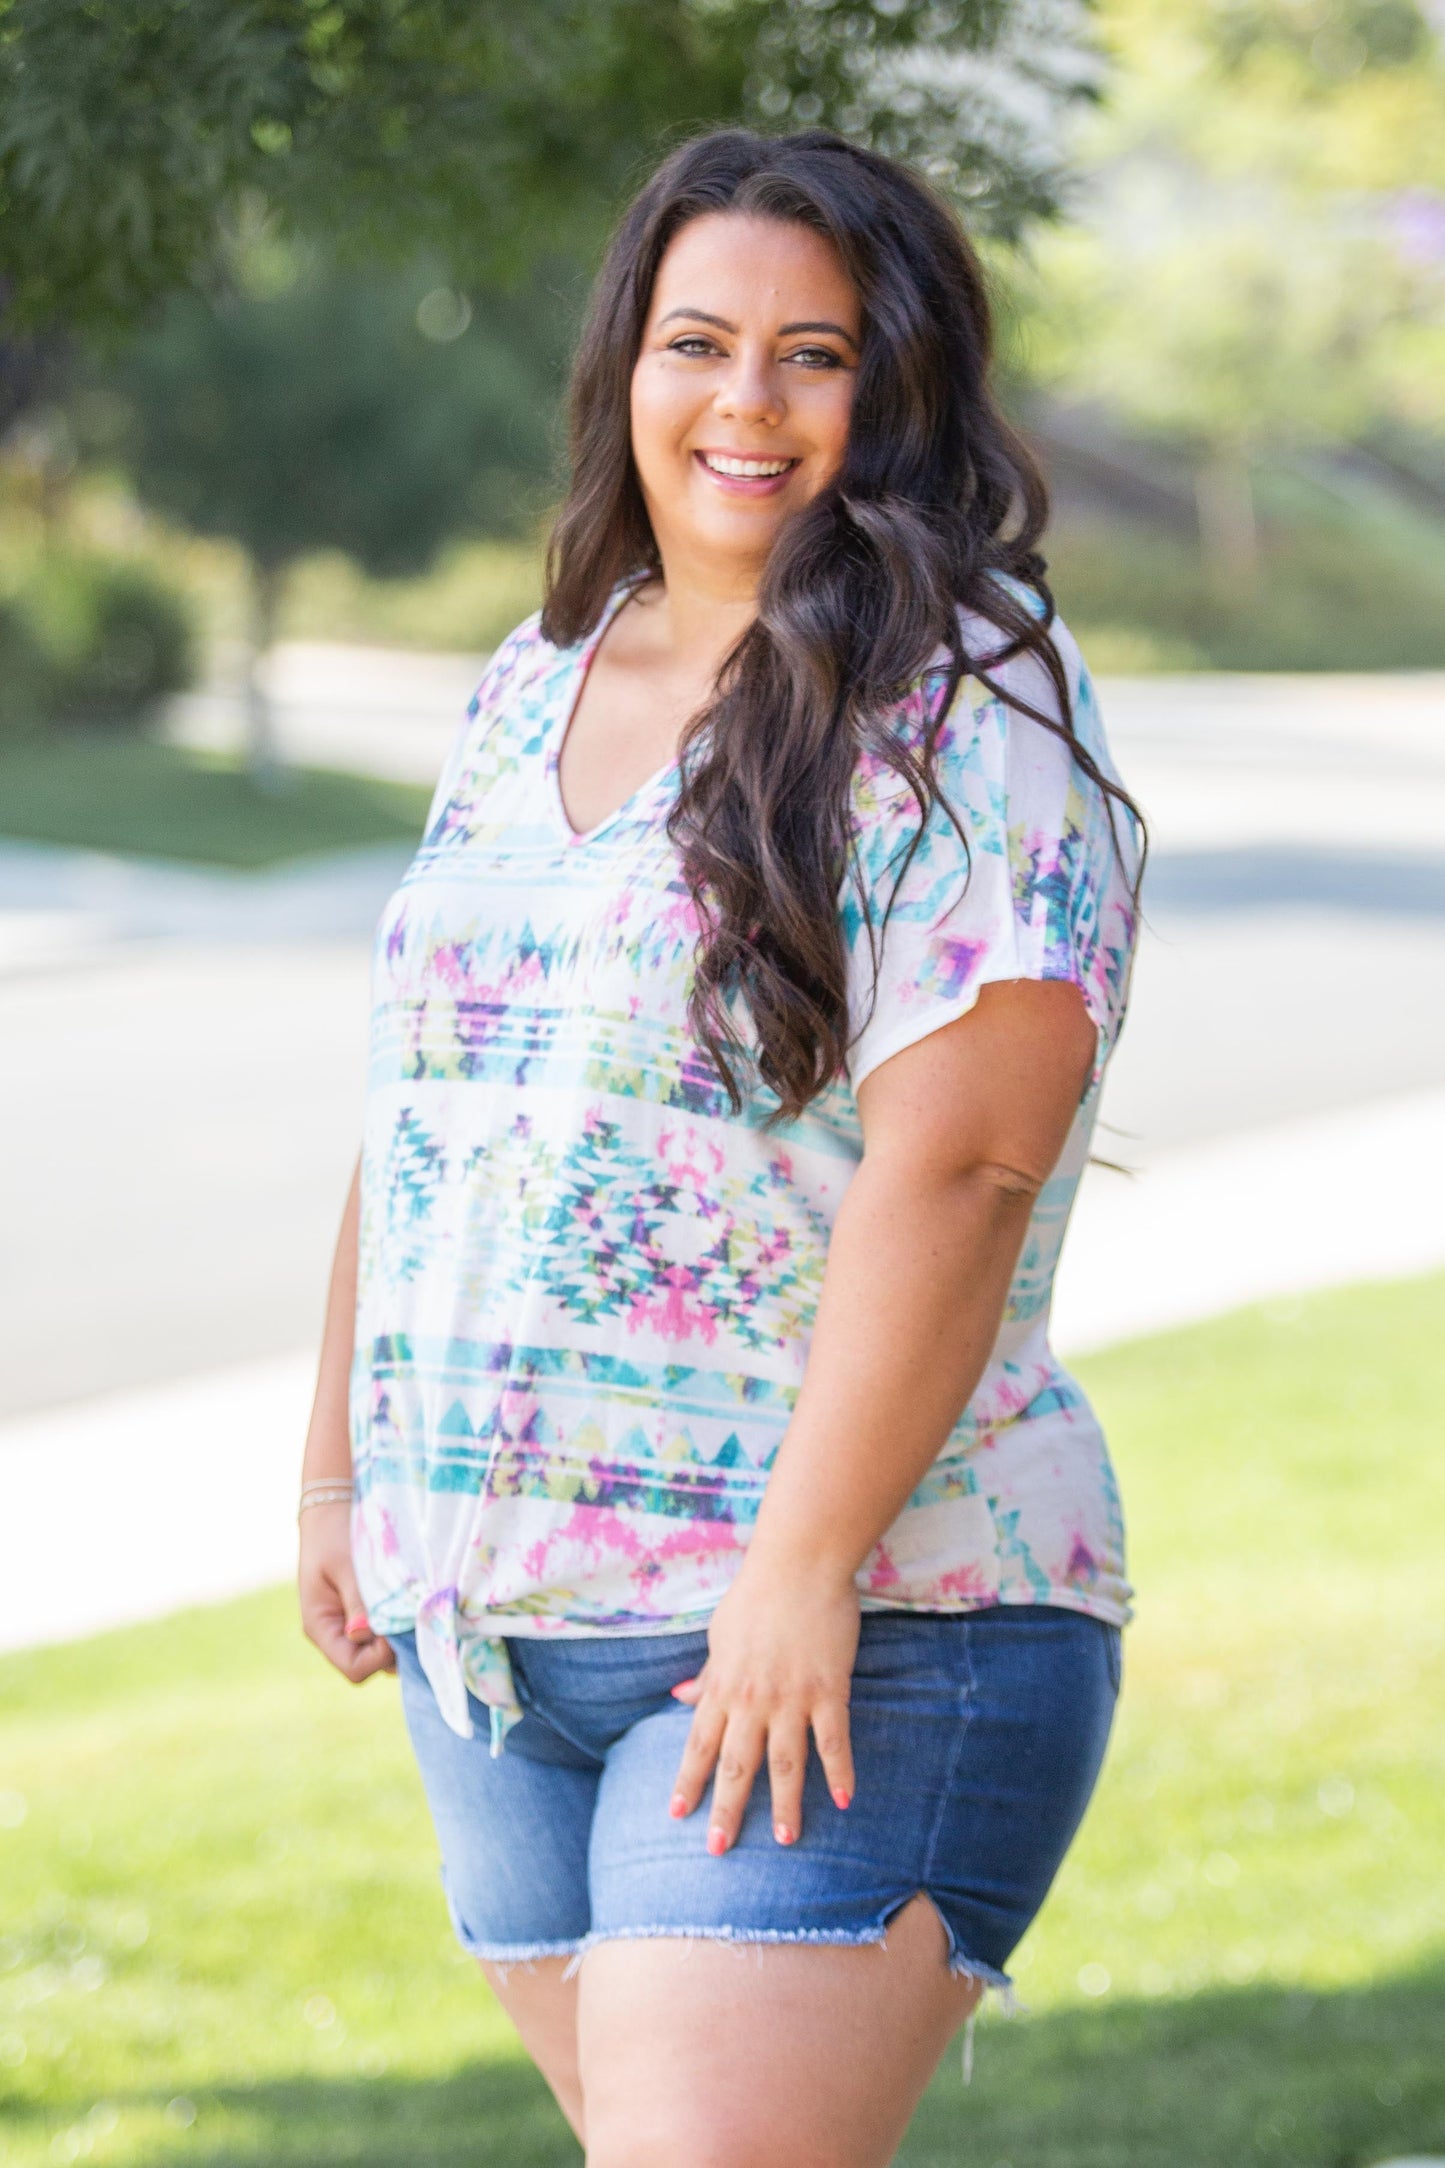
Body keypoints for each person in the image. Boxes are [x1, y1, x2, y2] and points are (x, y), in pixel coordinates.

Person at [298, 127, 1142, 2168]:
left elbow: (968, 1171)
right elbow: (438, 1097)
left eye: (813, 354)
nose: (746, 403)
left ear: (900, 391)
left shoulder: (966, 705)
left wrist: (800, 1567)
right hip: (504, 1641)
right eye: (699, 343)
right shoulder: (535, 682)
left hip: (855, 1621)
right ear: (627, 369)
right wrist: (340, 1467)